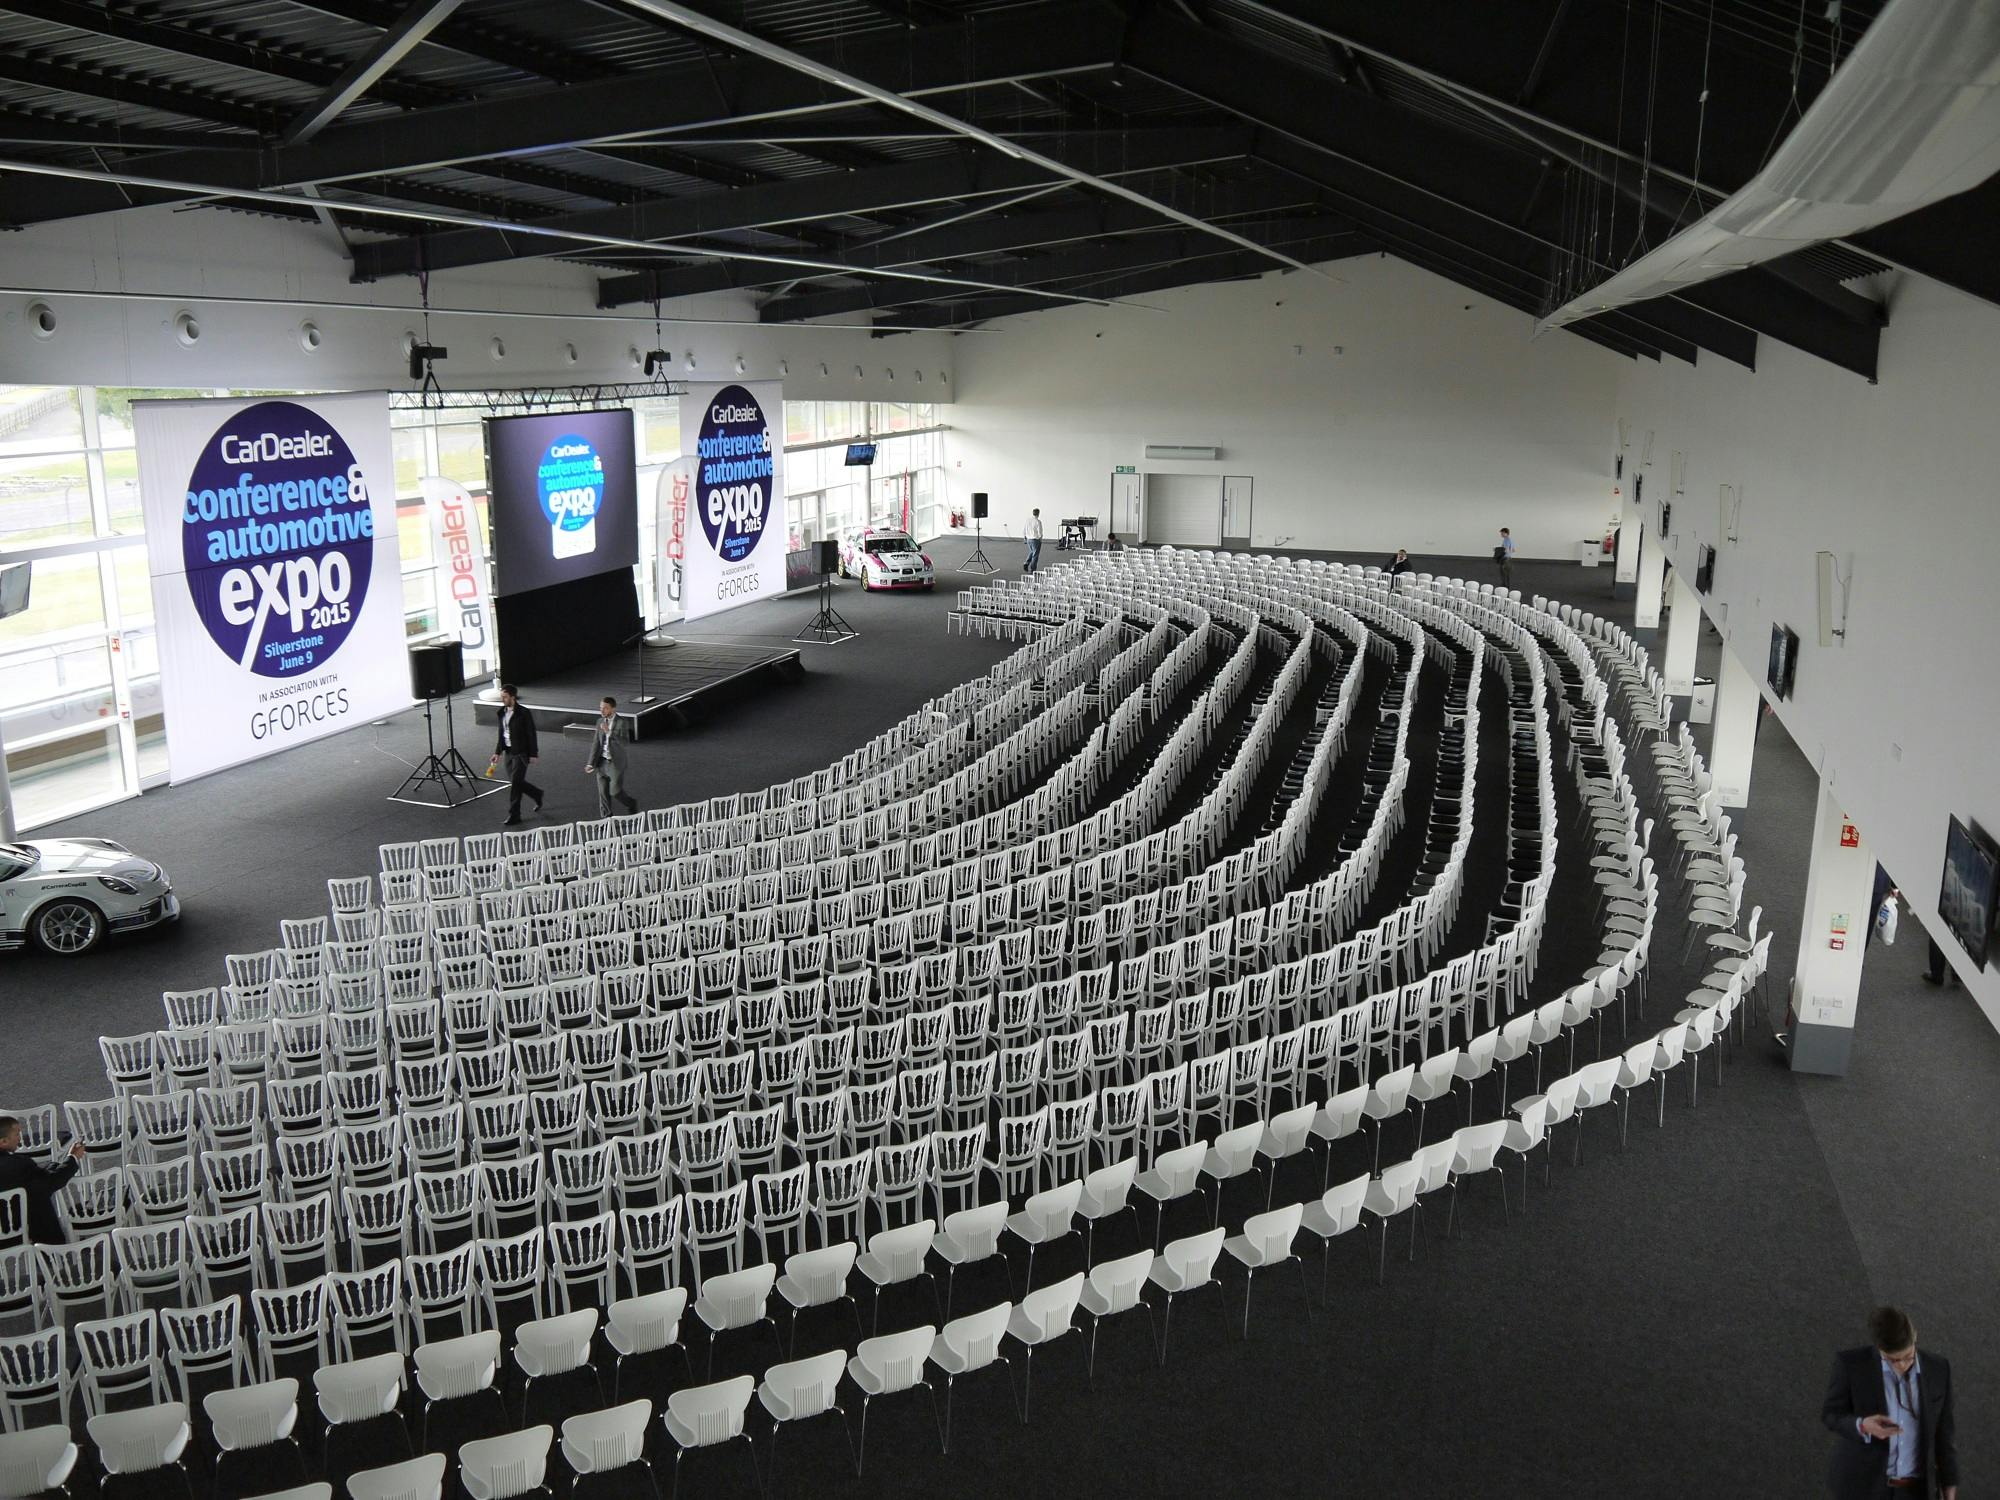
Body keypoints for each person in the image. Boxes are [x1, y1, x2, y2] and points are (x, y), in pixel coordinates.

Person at [1822, 1306, 1958, 1499]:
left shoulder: (1938, 1368)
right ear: (1879, 1348)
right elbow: (1831, 1414)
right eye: (1893, 1360)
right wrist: (1862, 1425)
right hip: (1864, 1486)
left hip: (1916, 1490)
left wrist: (1949, 1483)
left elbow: (1945, 1432)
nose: (1902, 1365)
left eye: (1908, 1357)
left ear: (1915, 1338)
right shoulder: (1851, 1365)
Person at [0, 1117, 86, 1245]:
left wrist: (53, 1166)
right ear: (3, 1142)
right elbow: (51, 1182)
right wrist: (72, 1157)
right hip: (19, 1227)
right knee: (39, 1196)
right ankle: (53, 1250)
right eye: (17, 1134)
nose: (20, 1138)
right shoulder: (18, 1164)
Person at [491, 683, 543, 826]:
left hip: (521, 753)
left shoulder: (524, 713)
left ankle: (514, 814)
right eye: (502, 696)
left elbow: (531, 734)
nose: (502, 699)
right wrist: (497, 752)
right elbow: (501, 734)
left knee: (515, 784)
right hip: (508, 752)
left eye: (505, 697)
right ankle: (536, 793)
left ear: (513, 697)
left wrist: (533, 754)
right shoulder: (501, 712)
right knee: (516, 782)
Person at [585, 696, 639, 817]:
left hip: (615, 763)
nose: (602, 711)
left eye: (605, 708)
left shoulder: (622, 722)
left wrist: (609, 732)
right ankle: (606, 819)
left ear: (613, 709)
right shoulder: (600, 721)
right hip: (601, 762)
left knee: (615, 792)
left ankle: (631, 803)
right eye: (600, 708)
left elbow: (625, 742)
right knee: (603, 793)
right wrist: (590, 763)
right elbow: (596, 743)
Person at [1024, 508, 1045, 574]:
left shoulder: (1028, 520)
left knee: (1031, 552)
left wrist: (1025, 537)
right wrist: (1040, 538)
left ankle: (1026, 563)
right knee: (1035, 555)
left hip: (1028, 539)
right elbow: (1040, 532)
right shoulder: (1038, 522)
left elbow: (1024, 529)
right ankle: (1033, 569)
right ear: (1038, 513)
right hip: (1035, 540)